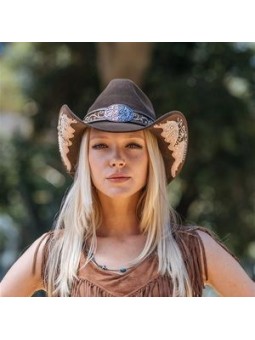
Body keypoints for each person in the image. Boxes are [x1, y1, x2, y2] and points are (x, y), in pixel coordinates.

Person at [0, 79, 254, 297]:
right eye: (100, 146)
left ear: (151, 161)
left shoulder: (193, 249)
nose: (117, 159)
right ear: (86, 161)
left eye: (133, 145)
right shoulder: (54, 252)